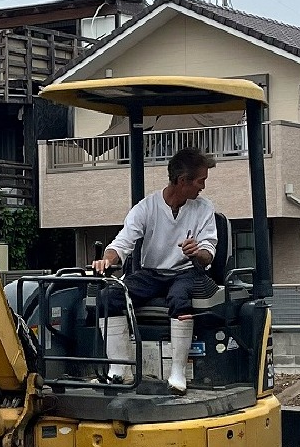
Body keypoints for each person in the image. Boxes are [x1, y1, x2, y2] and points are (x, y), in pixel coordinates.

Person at [91, 146, 218, 393]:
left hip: (187, 272)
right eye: (201, 181)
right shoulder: (146, 207)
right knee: (109, 297)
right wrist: (106, 260)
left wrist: (196, 252)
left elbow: (208, 253)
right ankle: (119, 371)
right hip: (151, 274)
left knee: (179, 297)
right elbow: (121, 243)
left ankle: (178, 374)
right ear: (183, 181)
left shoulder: (204, 208)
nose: (203, 187)